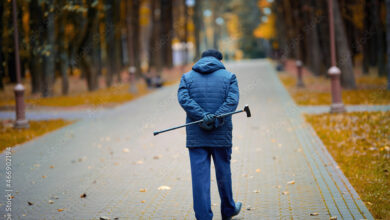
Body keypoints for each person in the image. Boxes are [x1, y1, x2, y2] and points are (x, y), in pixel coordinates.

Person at [177, 49, 242, 220]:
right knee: (223, 174)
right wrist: (215, 119)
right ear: (219, 60)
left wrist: (201, 117)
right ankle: (228, 210)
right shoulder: (229, 77)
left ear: (201, 59)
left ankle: (203, 217)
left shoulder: (187, 77)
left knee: (200, 179)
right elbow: (232, 102)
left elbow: (184, 99)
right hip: (221, 135)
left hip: (196, 136)